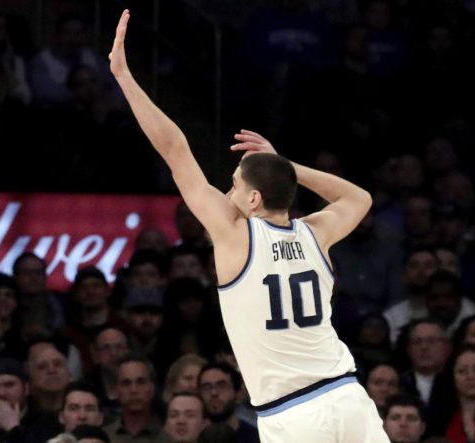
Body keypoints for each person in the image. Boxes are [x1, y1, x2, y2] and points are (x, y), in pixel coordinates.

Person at [108, 9, 388, 442]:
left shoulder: (235, 234)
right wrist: (285, 165)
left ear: (254, 199)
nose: (228, 191)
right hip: (348, 397)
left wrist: (125, 77)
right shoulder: (316, 233)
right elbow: (359, 198)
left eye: (235, 184)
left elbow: (174, 148)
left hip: (292, 414)